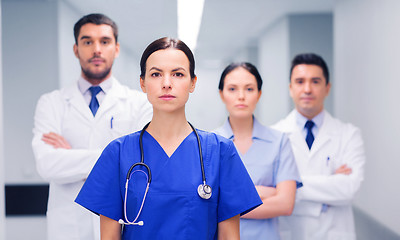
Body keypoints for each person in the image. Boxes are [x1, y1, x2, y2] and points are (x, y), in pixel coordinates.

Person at [75, 37, 262, 240]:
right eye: (156, 74)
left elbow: (229, 237)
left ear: (192, 83)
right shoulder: (118, 153)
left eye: (178, 74)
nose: (166, 84)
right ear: (143, 83)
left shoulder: (221, 152)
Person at [32, 13, 152, 240]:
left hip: (121, 223)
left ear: (116, 49)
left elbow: (140, 164)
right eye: (87, 42)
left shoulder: (139, 103)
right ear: (76, 49)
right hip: (68, 227)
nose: (96, 49)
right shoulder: (51, 103)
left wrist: (71, 158)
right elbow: (47, 165)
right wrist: (115, 156)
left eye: (104, 41)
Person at [272, 53, 365, 240]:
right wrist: (330, 181)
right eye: (300, 81)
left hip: (335, 233)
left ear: (327, 88)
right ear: (291, 88)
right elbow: (267, 189)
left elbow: (349, 189)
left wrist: (288, 186)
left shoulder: (349, 134)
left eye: (315, 81)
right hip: (290, 233)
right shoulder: (274, 135)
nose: (307, 89)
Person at [214, 62, 302, 240]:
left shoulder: (279, 142)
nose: (241, 96)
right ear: (221, 94)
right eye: (232, 89)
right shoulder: (210, 144)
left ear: (259, 94)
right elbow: (205, 204)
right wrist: (264, 193)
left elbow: (285, 204)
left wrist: (226, 203)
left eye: (249, 89)